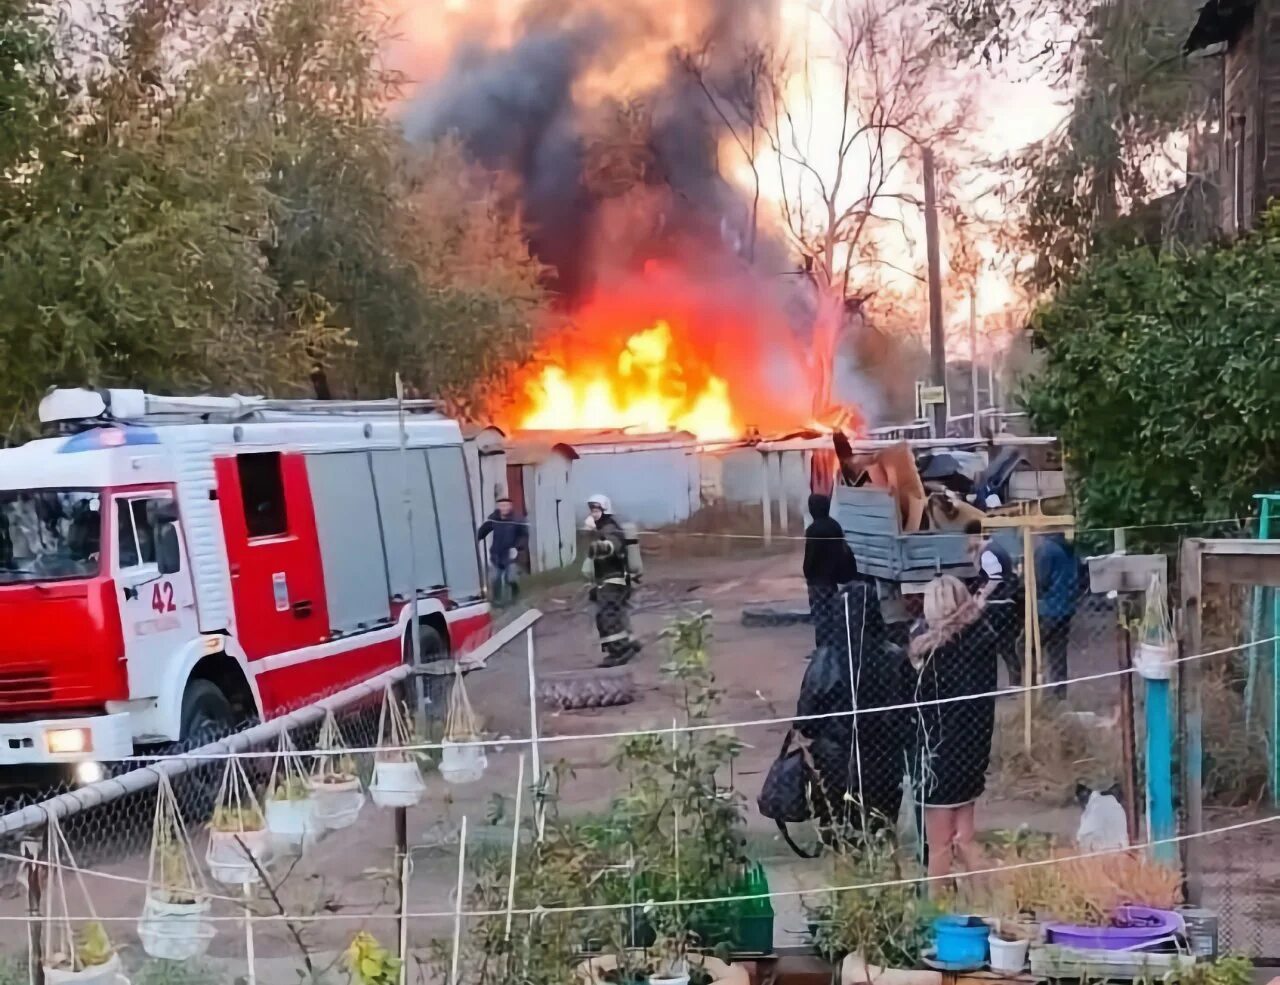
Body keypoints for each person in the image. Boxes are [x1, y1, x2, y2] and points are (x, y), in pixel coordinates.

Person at [796, 581, 913, 846]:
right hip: (883, 762)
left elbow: (805, 719)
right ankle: (883, 870)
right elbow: (907, 713)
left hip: (834, 762)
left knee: (839, 832)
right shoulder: (894, 657)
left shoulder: (825, 659)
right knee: (881, 830)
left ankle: (846, 872)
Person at [908, 575, 997, 894]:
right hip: (973, 750)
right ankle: (984, 897)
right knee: (965, 837)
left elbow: (917, 705)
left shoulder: (931, 654)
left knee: (940, 845)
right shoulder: (983, 640)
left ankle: (937, 906)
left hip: (938, 755)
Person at [585, 494, 642, 667]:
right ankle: (629, 643)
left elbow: (613, 545)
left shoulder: (609, 527)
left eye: (597, 510)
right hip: (608, 580)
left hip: (613, 580)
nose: (594, 514)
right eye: (592, 511)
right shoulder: (603, 528)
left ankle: (619, 651)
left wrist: (597, 545)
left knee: (607, 615)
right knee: (616, 614)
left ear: (605, 510)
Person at [965, 520, 1023, 685]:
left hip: (999, 604)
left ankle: (1013, 682)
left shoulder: (988, 554)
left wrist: (982, 595)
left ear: (975, 536)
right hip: (1005, 602)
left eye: (968, 538)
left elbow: (994, 578)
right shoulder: (993, 549)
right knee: (1006, 645)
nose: (967, 542)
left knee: (1001, 644)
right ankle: (1015, 682)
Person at [803, 493, 860, 654]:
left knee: (820, 616)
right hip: (833, 579)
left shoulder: (813, 530)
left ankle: (823, 650)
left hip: (818, 580)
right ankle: (834, 647)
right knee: (832, 614)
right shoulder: (834, 526)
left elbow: (810, 558)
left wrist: (808, 573)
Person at [1035, 532, 1078, 697]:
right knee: (1058, 652)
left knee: (1025, 646)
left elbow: (1040, 580)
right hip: (1065, 607)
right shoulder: (1068, 548)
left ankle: (1031, 687)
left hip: (1048, 607)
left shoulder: (1045, 549)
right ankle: (1059, 692)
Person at [476, 497, 529, 607]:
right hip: (496, 553)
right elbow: (483, 531)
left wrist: (518, 546)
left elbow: (524, 535)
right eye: (501, 505)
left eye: (506, 505)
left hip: (511, 554)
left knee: (510, 578)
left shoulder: (517, 520)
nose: (503, 508)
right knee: (495, 579)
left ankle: (515, 596)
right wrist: (477, 538)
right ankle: (497, 601)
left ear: (510, 506)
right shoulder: (494, 519)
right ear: (498, 507)